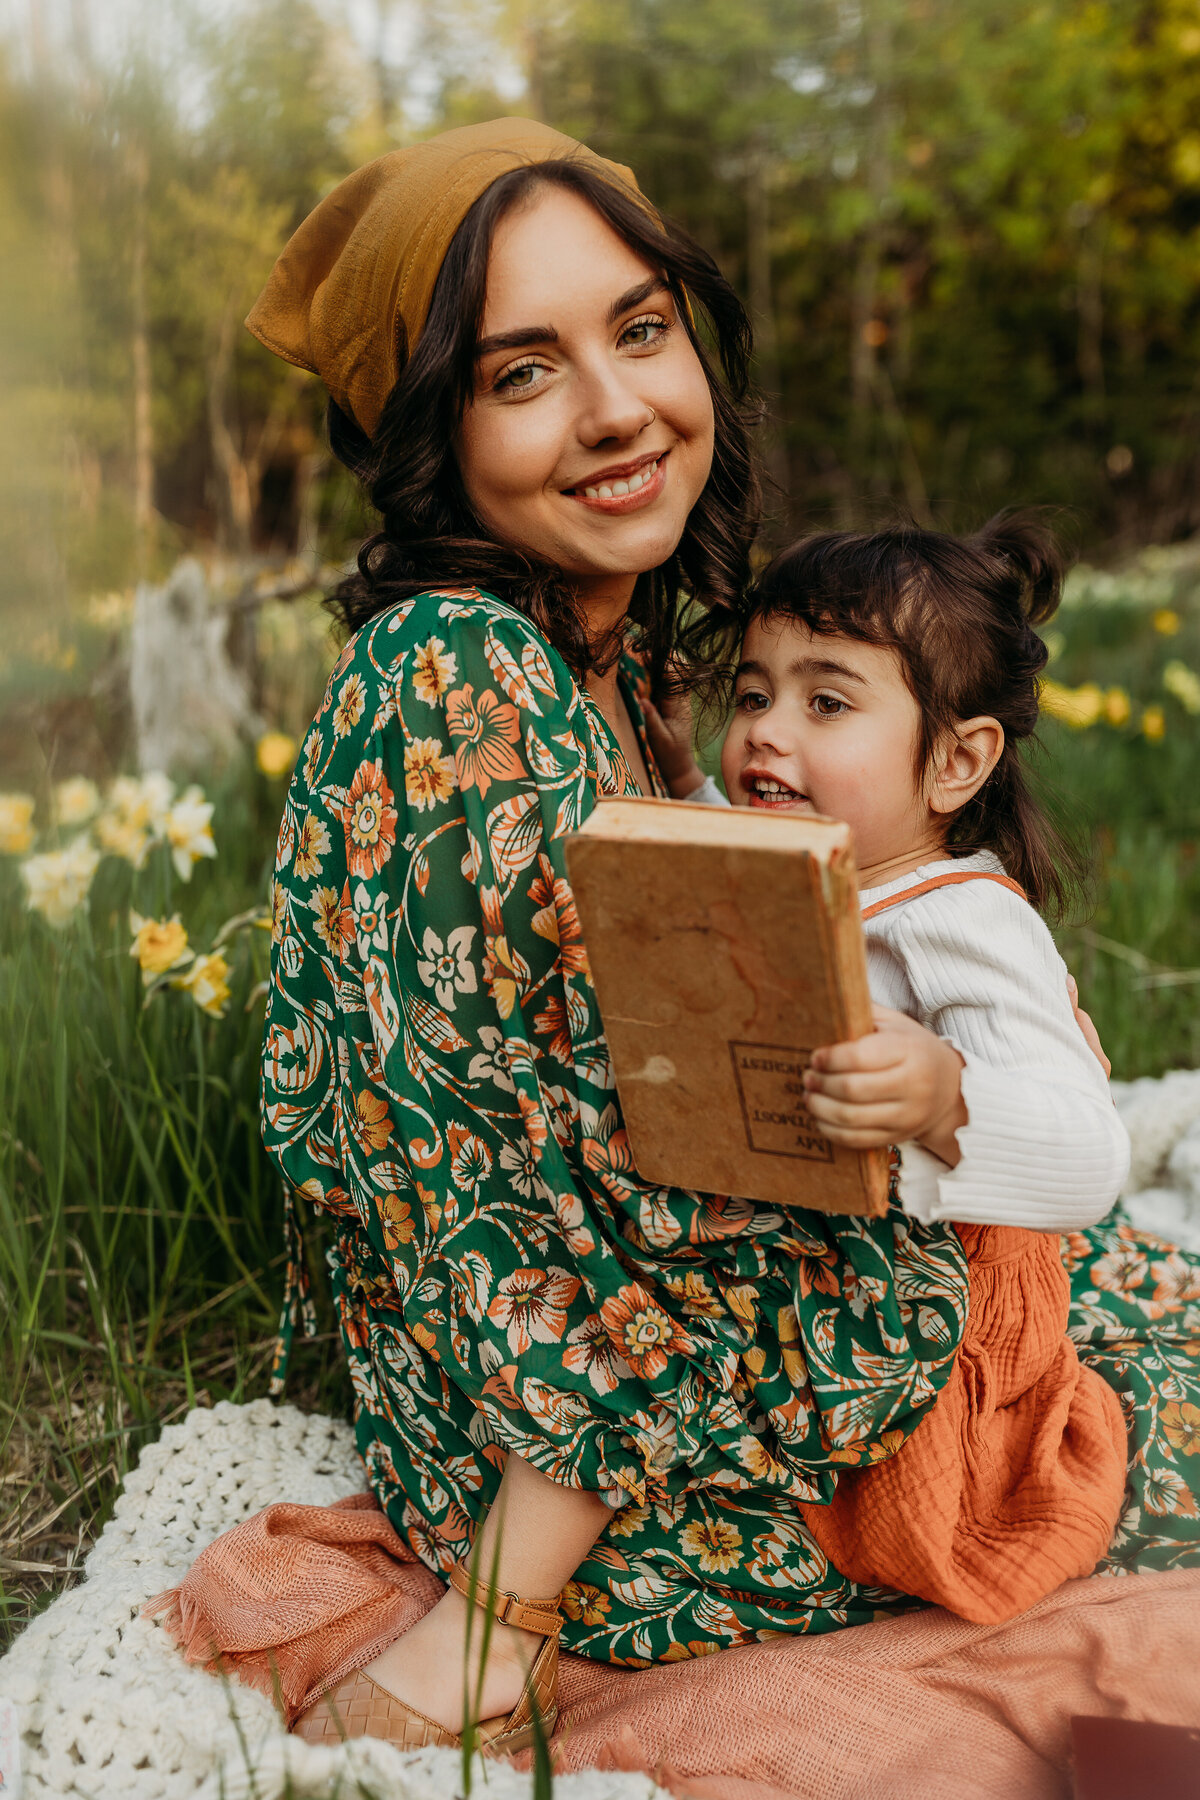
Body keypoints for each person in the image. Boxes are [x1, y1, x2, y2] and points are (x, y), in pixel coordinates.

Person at [161, 118, 1200, 1756]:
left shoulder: (609, 659)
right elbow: (543, 1193)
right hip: (591, 1496)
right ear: (429, 434)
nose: (621, 406)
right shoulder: (457, 674)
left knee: (1123, 1302)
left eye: (640, 328)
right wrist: (497, 1617)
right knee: (1133, 1422)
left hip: (642, 1405)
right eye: (523, 372)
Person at [654, 515, 1132, 1235]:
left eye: (827, 703)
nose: (764, 731)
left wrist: (945, 1101)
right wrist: (689, 780)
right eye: (755, 696)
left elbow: (1091, 1161)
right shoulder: (810, 873)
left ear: (955, 763)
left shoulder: (957, 919)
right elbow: (738, 847)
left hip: (938, 1308)